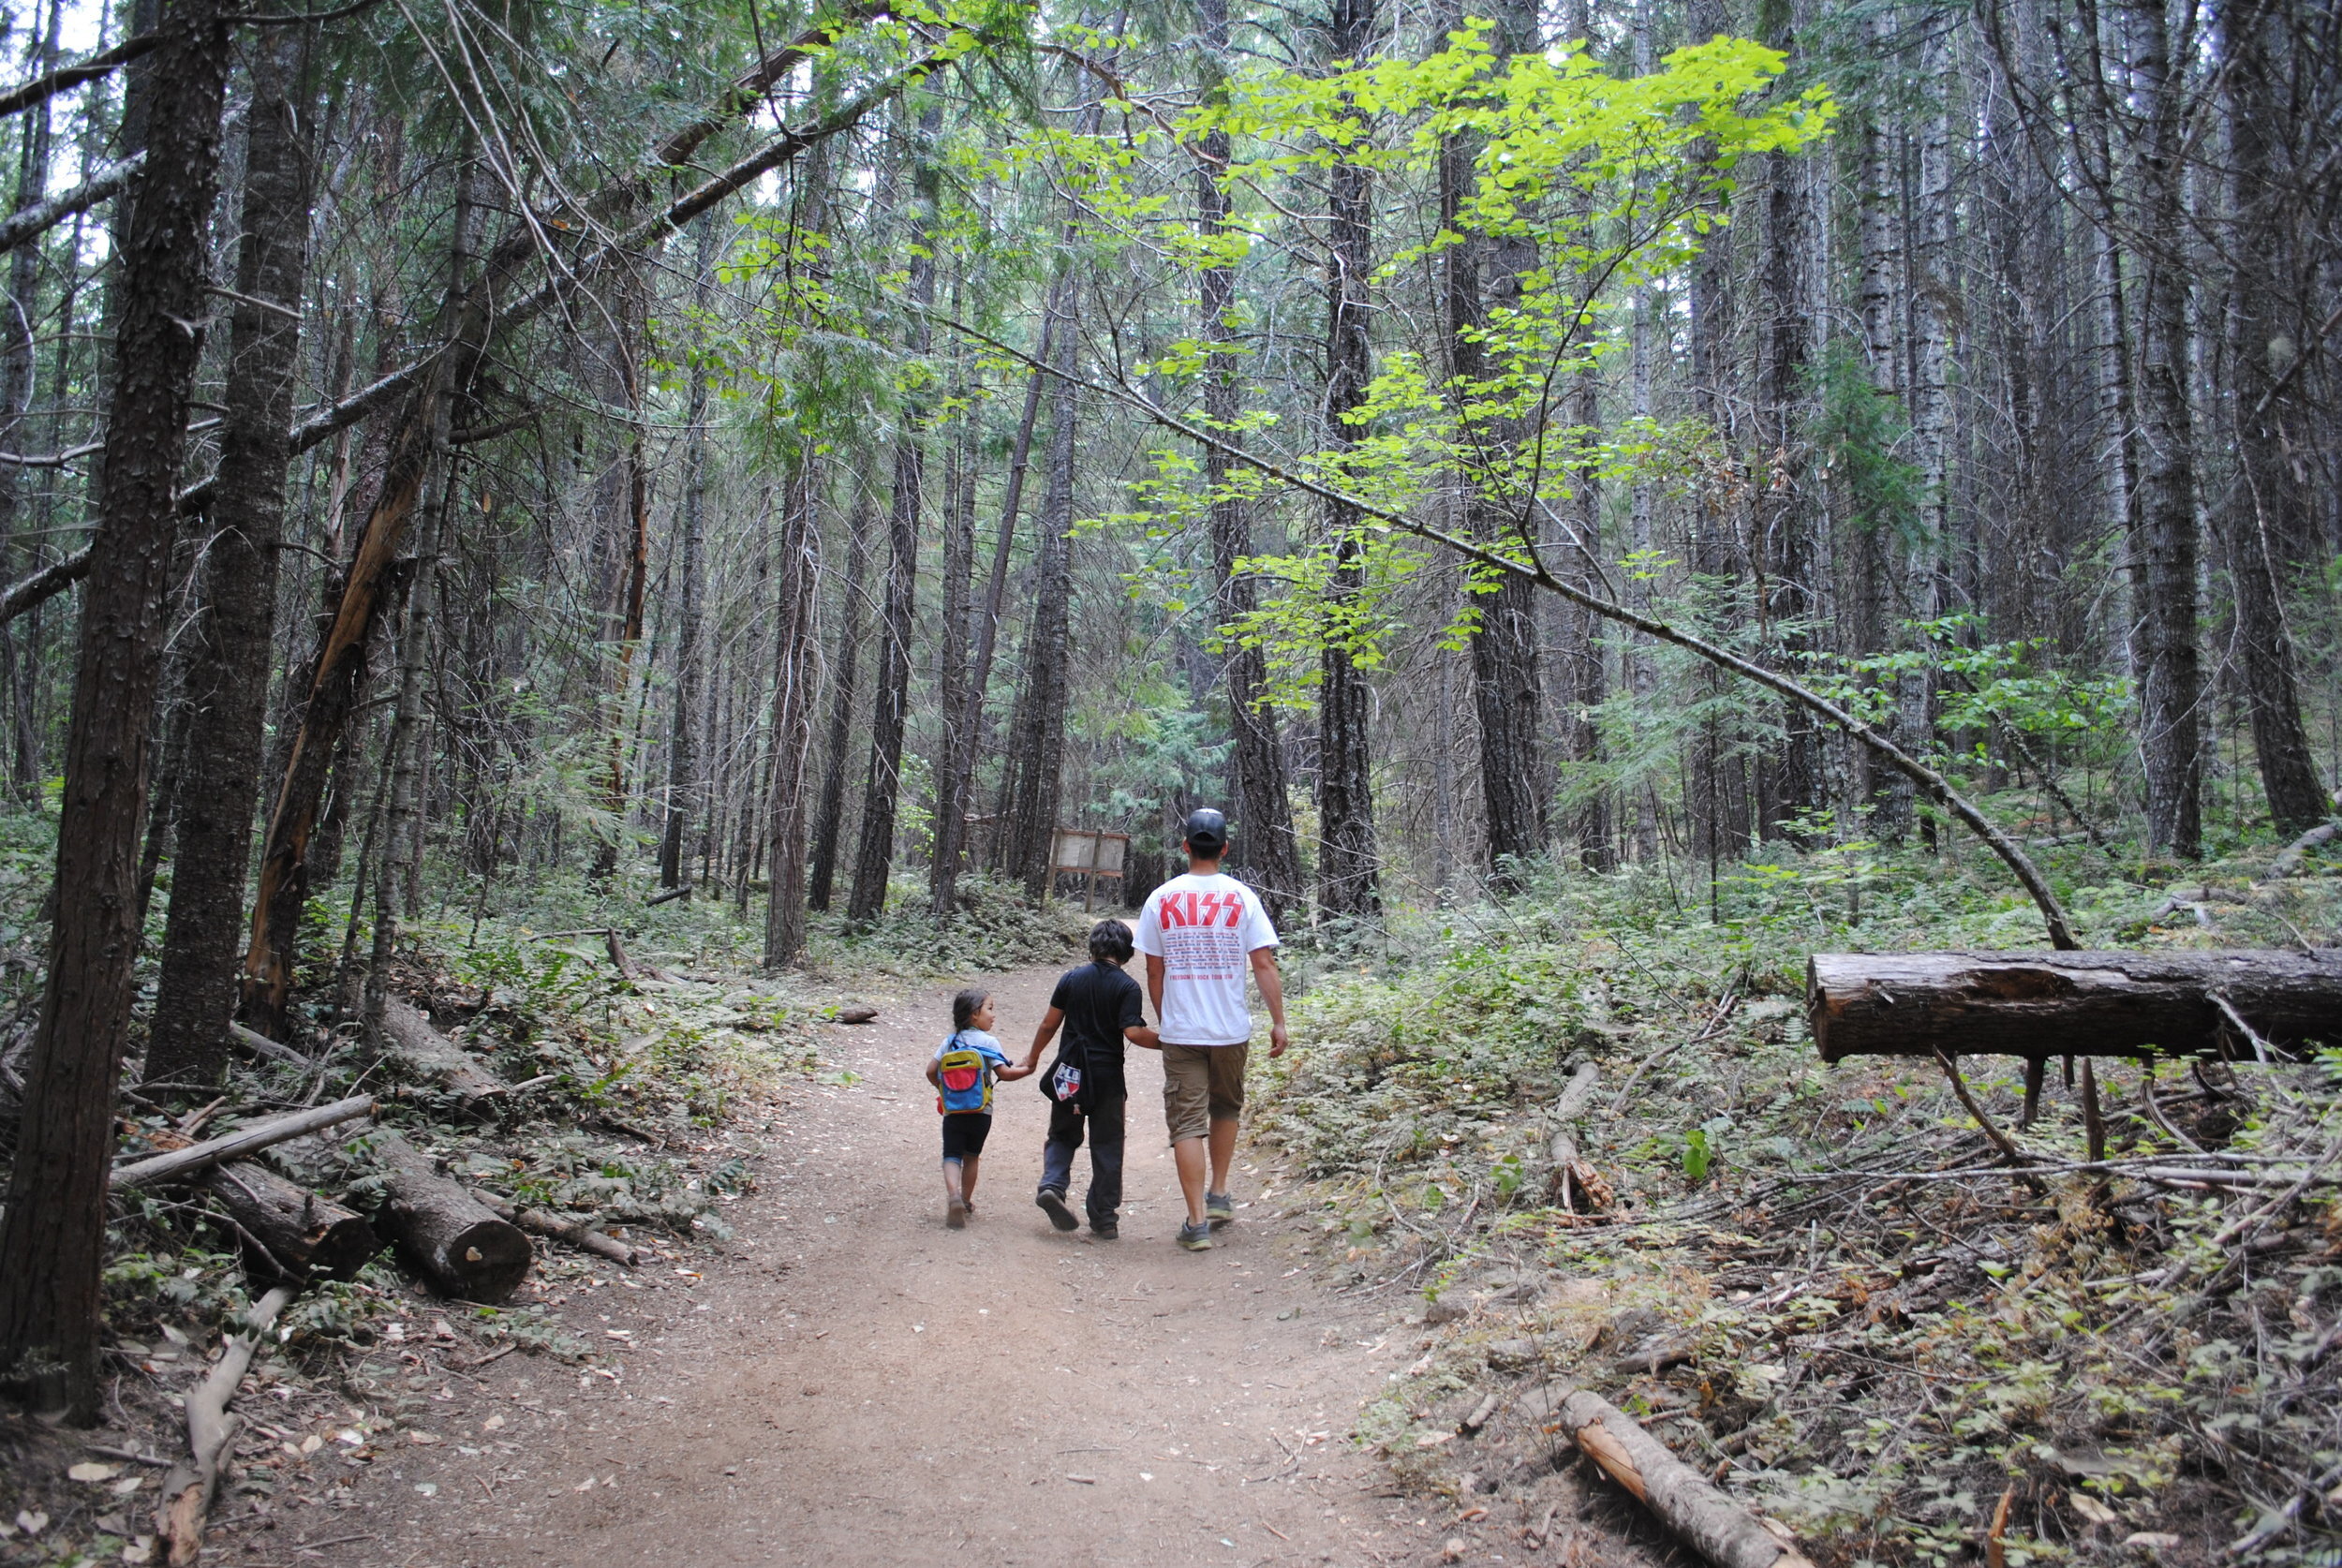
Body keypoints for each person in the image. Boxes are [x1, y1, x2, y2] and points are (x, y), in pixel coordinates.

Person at [1133, 807, 1289, 1252]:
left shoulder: (1160, 899)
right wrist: (1278, 1021)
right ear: (1223, 848)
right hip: (1230, 1032)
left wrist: (1168, 1020)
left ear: (1185, 848)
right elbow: (1263, 963)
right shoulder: (1243, 898)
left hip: (1183, 1033)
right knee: (1226, 1108)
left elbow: (1154, 971)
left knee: (1185, 1124)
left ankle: (1197, 1222)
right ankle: (1218, 1193)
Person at [1028, 920, 1161, 1240]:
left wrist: (1032, 1057)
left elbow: (1049, 1024)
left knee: (1061, 1134)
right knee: (1107, 1145)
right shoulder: (1127, 987)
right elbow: (1133, 1032)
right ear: (1127, 953)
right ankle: (1103, 1218)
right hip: (1107, 1077)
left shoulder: (1071, 978)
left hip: (1069, 1073)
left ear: (1092, 948)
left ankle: (1053, 1186)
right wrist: (1168, 1043)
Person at [923, 987, 1033, 1229]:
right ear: (974, 1014)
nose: (993, 1015)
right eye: (989, 1009)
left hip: (953, 1111)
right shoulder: (988, 1042)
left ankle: (953, 1195)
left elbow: (931, 1071)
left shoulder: (950, 1042)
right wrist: (1027, 1069)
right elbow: (1004, 1073)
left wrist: (943, 1090)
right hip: (981, 1111)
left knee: (951, 1155)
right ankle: (965, 1200)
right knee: (971, 1156)